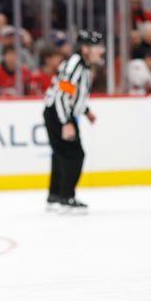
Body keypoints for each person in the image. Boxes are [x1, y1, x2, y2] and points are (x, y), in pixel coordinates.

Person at [43, 31, 105, 212]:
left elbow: (73, 94)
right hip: (59, 114)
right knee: (74, 155)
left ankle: (55, 196)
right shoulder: (75, 66)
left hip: (62, 113)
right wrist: (66, 122)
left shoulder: (82, 65)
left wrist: (85, 111)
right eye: (97, 47)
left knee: (61, 155)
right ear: (85, 49)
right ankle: (66, 197)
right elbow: (62, 95)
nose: (101, 51)